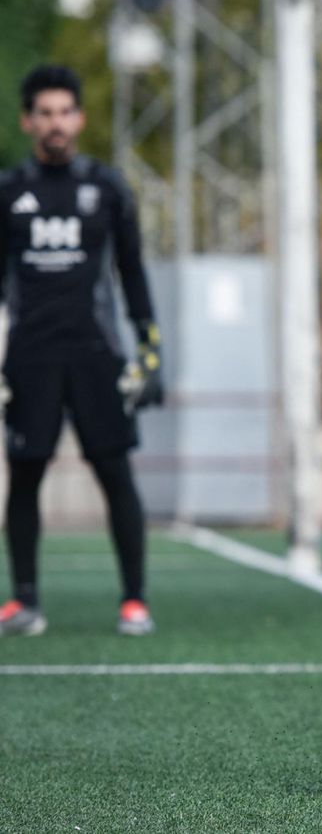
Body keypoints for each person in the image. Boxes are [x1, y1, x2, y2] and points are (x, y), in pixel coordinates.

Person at [0, 65, 163, 637]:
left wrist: (149, 344)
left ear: (79, 118)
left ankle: (134, 601)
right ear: (28, 121)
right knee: (23, 475)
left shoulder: (108, 189)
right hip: (30, 358)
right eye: (44, 113)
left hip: (97, 355)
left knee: (115, 472)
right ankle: (24, 602)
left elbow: (132, 271)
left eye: (64, 111)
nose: (55, 123)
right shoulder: (8, 192)